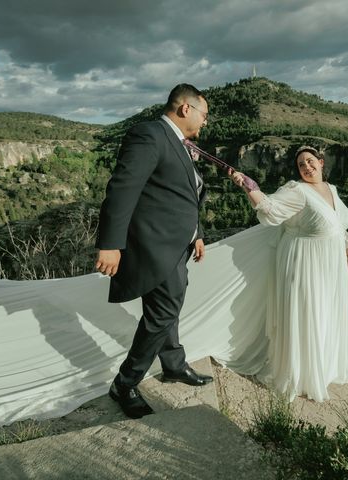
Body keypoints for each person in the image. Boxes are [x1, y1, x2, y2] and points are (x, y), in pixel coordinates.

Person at [95, 83, 213, 418]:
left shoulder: (179, 142)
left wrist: (197, 233)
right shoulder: (149, 134)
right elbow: (122, 188)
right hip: (153, 245)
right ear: (185, 109)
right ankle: (125, 382)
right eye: (204, 115)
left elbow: (183, 194)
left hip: (177, 244)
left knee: (169, 305)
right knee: (163, 311)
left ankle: (173, 365)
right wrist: (110, 243)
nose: (205, 122)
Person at [229, 146, 348, 401]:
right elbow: (269, 209)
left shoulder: (331, 189)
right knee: (307, 311)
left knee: (325, 311)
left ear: (321, 163)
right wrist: (247, 186)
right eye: (301, 165)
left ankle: (324, 367)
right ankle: (301, 373)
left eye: (310, 162)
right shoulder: (297, 190)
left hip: (329, 263)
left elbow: (336, 225)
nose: (307, 167)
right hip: (304, 260)